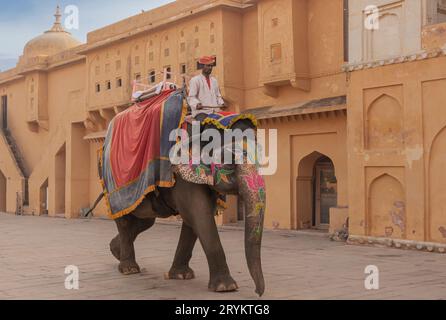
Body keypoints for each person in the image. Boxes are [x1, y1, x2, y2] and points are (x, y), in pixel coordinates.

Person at [187, 56, 226, 121]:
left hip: (215, 112)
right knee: (199, 126)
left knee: (227, 124)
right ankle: (195, 131)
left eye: (211, 66)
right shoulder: (195, 80)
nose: (210, 68)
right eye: (208, 66)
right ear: (202, 66)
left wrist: (222, 103)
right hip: (201, 113)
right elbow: (191, 97)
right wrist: (197, 104)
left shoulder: (214, 81)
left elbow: (218, 96)